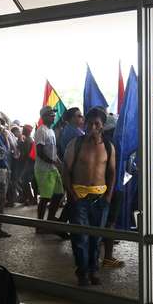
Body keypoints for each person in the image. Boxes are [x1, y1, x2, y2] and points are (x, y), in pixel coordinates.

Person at [62, 107, 116, 286]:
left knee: (96, 238)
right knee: (80, 238)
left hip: (100, 199)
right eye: (90, 123)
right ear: (85, 124)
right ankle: (82, 272)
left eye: (97, 124)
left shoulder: (109, 147)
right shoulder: (75, 144)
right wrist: (73, 195)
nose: (93, 127)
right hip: (80, 198)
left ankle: (94, 270)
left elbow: (112, 172)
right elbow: (66, 171)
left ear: (102, 126)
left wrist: (108, 195)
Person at [101, 112, 125, 268]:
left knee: (99, 222)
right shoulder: (114, 144)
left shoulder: (99, 143)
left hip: (100, 187)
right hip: (113, 188)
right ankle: (108, 257)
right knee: (110, 222)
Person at [34, 106, 64, 226]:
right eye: (51, 114)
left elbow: (52, 150)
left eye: (53, 114)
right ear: (44, 117)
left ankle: (50, 219)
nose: (53, 116)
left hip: (52, 168)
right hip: (43, 170)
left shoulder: (50, 131)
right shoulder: (41, 131)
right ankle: (40, 225)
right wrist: (53, 162)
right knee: (45, 198)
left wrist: (58, 161)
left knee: (59, 193)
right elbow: (40, 152)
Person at [21, 124, 37, 205]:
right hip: (32, 163)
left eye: (24, 129)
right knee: (33, 181)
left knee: (24, 181)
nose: (22, 131)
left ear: (26, 131)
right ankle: (32, 199)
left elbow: (26, 154)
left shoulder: (27, 140)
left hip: (29, 163)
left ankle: (30, 198)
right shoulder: (31, 139)